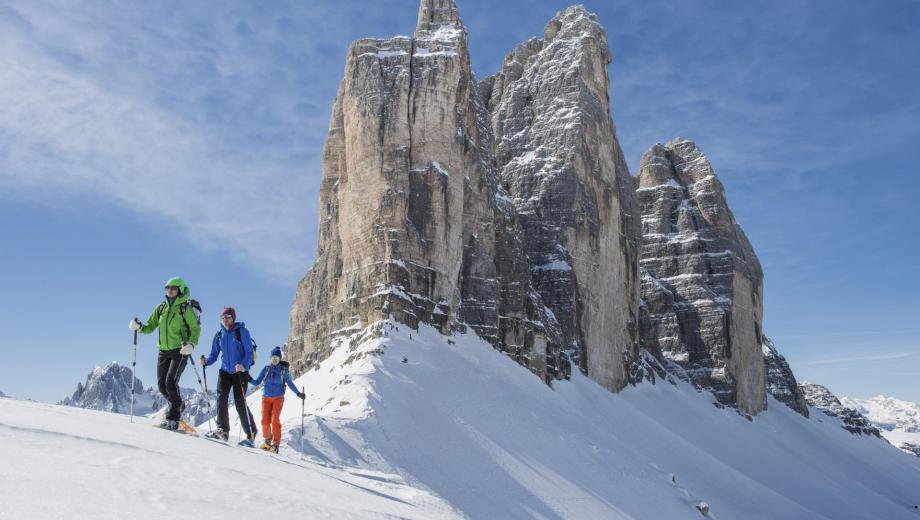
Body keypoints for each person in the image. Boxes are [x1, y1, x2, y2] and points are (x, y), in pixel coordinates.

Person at [129, 277, 201, 431]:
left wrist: (191, 344)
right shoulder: (161, 308)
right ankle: (178, 404)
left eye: (173, 288)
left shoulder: (184, 308)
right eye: (167, 288)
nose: (170, 290)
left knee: (170, 382)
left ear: (180, 290)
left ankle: (173, 419)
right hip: (163, 350)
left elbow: (195, 329)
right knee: (162, 385)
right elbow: (150, 327)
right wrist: (139, 327)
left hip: (180, 350)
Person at [200, 307, 256, 445]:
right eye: (223, 317)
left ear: (233, 318)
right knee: (221, 399)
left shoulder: (241, 331)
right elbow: (214, 355)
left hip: (240, 371)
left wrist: (243, 365)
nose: (225, 320)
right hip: (225, 371)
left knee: (239, 402)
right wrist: (207, 361)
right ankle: (223, 430)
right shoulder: (219, 335)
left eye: (228, 317)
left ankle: (251, 434)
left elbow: (249, 352)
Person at [250, 346, 305, 453]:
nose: (275, 360)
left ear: (280, 359)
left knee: (275, 420)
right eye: (273, 358)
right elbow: (257, 382)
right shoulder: (266, 369)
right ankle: (267, 440)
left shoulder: (283, 371)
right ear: (270, 358)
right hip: (266, 398)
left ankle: (275, 445)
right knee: (265, 421)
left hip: (278, 398)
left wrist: (299, 394)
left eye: (277, 358)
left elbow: (290, 383)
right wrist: (247, 377)